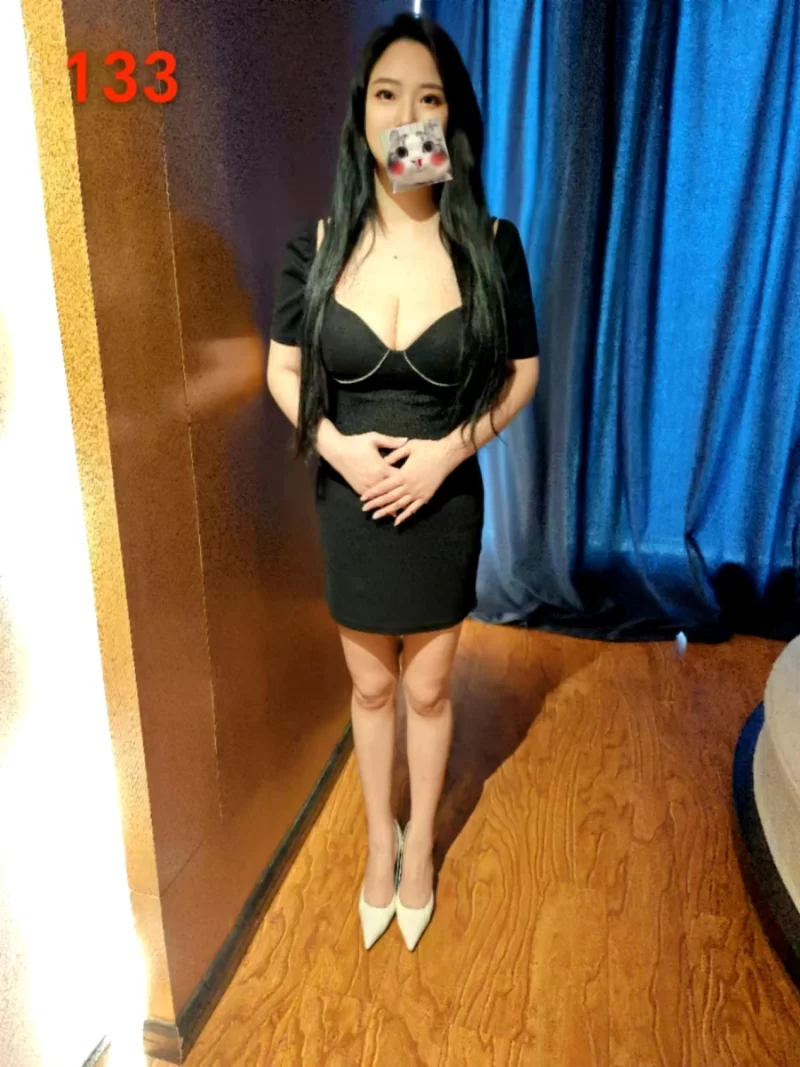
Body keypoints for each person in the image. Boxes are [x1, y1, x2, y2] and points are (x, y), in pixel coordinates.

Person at [266, 13, 539, 952]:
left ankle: (421, 844)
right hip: (348, 501)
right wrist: (336, 448)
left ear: (451, 119)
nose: (407, 114)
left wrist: (448, 451)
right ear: (363, 115)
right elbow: (282, 370)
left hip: (444, 499)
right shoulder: (317, 244)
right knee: (370, 686)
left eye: (429, 98)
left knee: (427, 688)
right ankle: (378, 844)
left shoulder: (490, 244)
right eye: (387, 95)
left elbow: (522, 375)